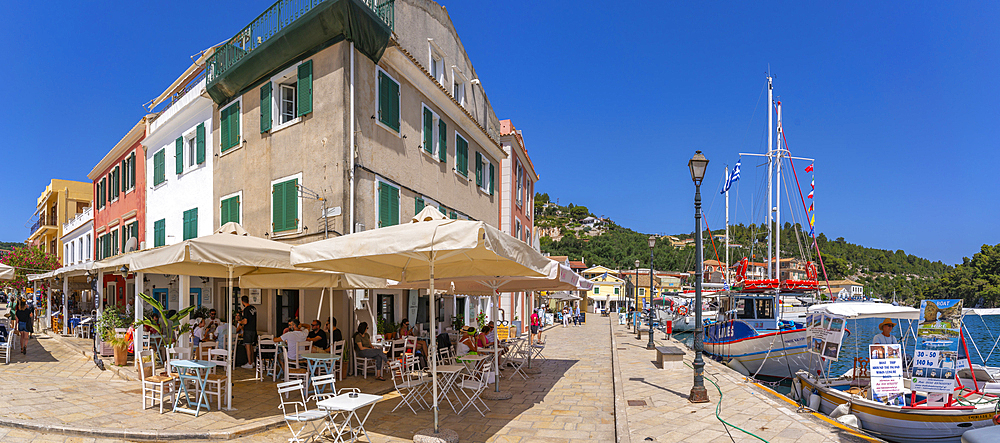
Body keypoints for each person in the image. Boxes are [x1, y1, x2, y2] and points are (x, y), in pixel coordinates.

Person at [239, 296, 258, 369]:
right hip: (254, 329)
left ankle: (249, 362)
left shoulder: (246, 309)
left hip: (248, 330)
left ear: (242, 302)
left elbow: (245, 321)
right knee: (251, 347)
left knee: (247, 346)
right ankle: (252, 362)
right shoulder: (254, 308)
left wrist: (240, 322)